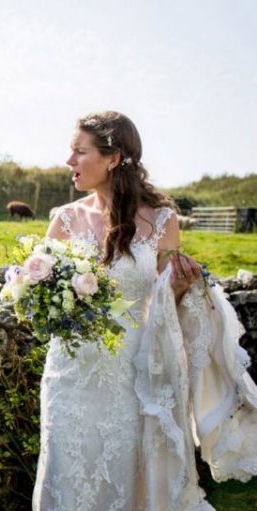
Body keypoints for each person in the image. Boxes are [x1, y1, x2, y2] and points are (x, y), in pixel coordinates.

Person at [32, 111, 257, 510]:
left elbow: (163, 299)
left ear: (113, 158)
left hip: (131, 369)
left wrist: (182, 285)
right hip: (70, 371)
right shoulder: (64, 220)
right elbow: (36, 291)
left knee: (126, 468)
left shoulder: (161, 220)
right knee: (68, 467)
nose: (69, 162)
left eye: (79, 152)